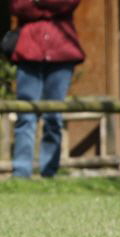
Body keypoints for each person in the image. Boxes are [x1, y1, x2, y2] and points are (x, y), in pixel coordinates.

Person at [10, 0, 84, 178]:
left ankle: (49, 171)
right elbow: (18, 7)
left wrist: (37, 2)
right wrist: (49, 7)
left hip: (62, 54)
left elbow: (68, 3)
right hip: (29, 53)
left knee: (53, 117)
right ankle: (21, 171)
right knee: (25, 114)